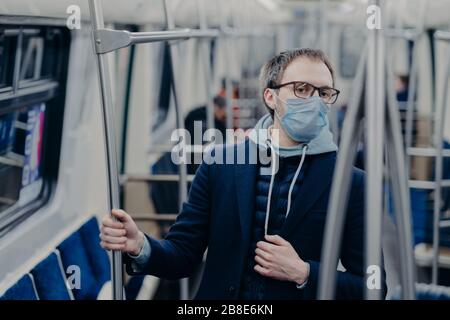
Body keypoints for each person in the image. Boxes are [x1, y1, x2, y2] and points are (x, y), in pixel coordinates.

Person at [100, 48, 387, 299]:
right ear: (271, 97)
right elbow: (183, 255)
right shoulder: (221, 164)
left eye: (324, 93)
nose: (314, 101)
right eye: (301, 89)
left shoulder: (352, 184)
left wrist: (304, 273)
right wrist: (140, 245)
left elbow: (373, 287)